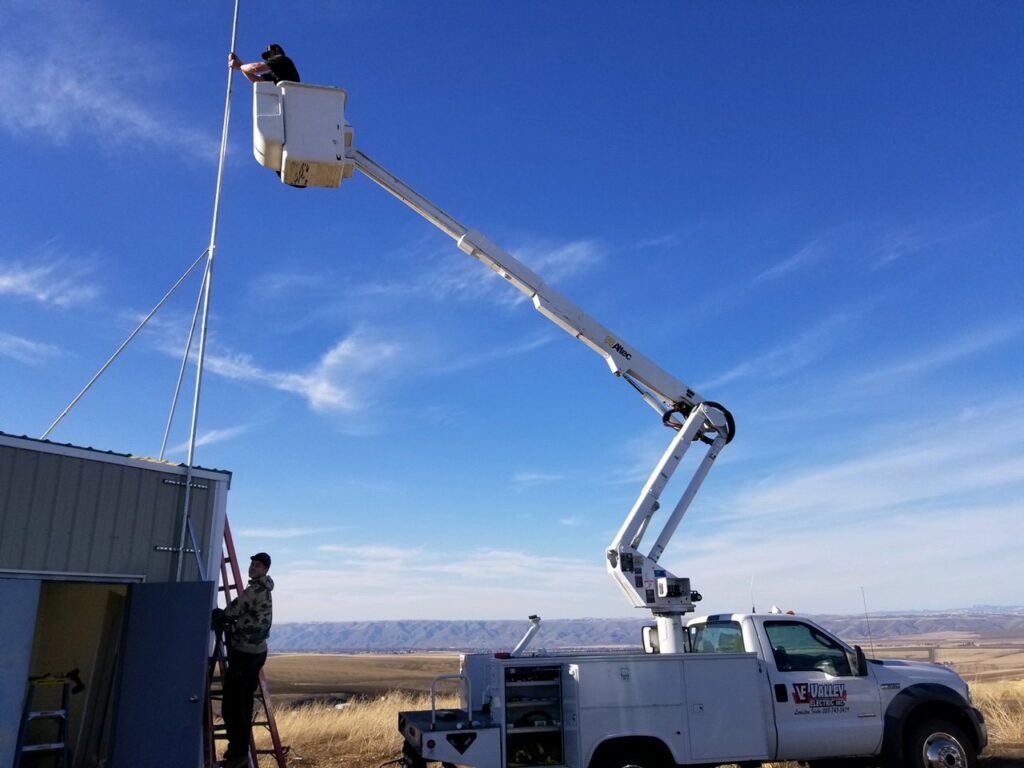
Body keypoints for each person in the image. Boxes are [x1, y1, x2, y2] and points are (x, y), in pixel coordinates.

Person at [214, 552, 275, 768]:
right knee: (244, 702)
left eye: (257, 565)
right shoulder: (265, 590)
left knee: (232, 706)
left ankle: (237, 754)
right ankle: (239, 753)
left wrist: (219, 616)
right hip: (257, 653)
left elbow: (233, 610)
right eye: (252, 564)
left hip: (245, 654)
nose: (252, 568)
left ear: (265, 569)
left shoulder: (255, 591)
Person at [229, 43, 300, 84]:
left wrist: (239, 66)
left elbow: (255, 68)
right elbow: (256, 79)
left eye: (270, 54)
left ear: (277, 51)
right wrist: (239, 63)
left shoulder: (282, 60)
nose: (269, 58)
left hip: (291, 97)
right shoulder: (276, 74)